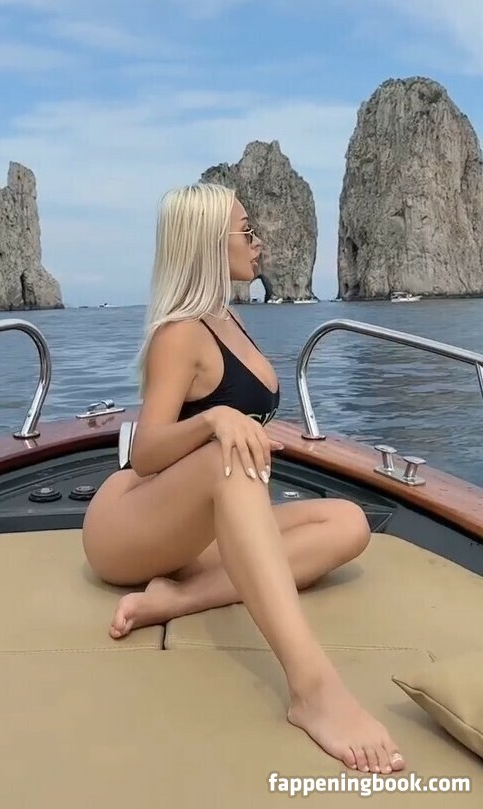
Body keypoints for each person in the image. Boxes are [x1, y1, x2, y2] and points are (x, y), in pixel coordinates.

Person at [82, 182, 404, 775]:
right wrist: (215, 420)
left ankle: (178, 597)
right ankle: (313, 689)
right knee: (225, 457)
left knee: (348, 522)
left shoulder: (228, 318)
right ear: (210, 241)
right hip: (126, 522)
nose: (259, 242)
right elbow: (147, 451)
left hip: (193, 529)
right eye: (247, 231)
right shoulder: (181, 331)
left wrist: (239, 425)